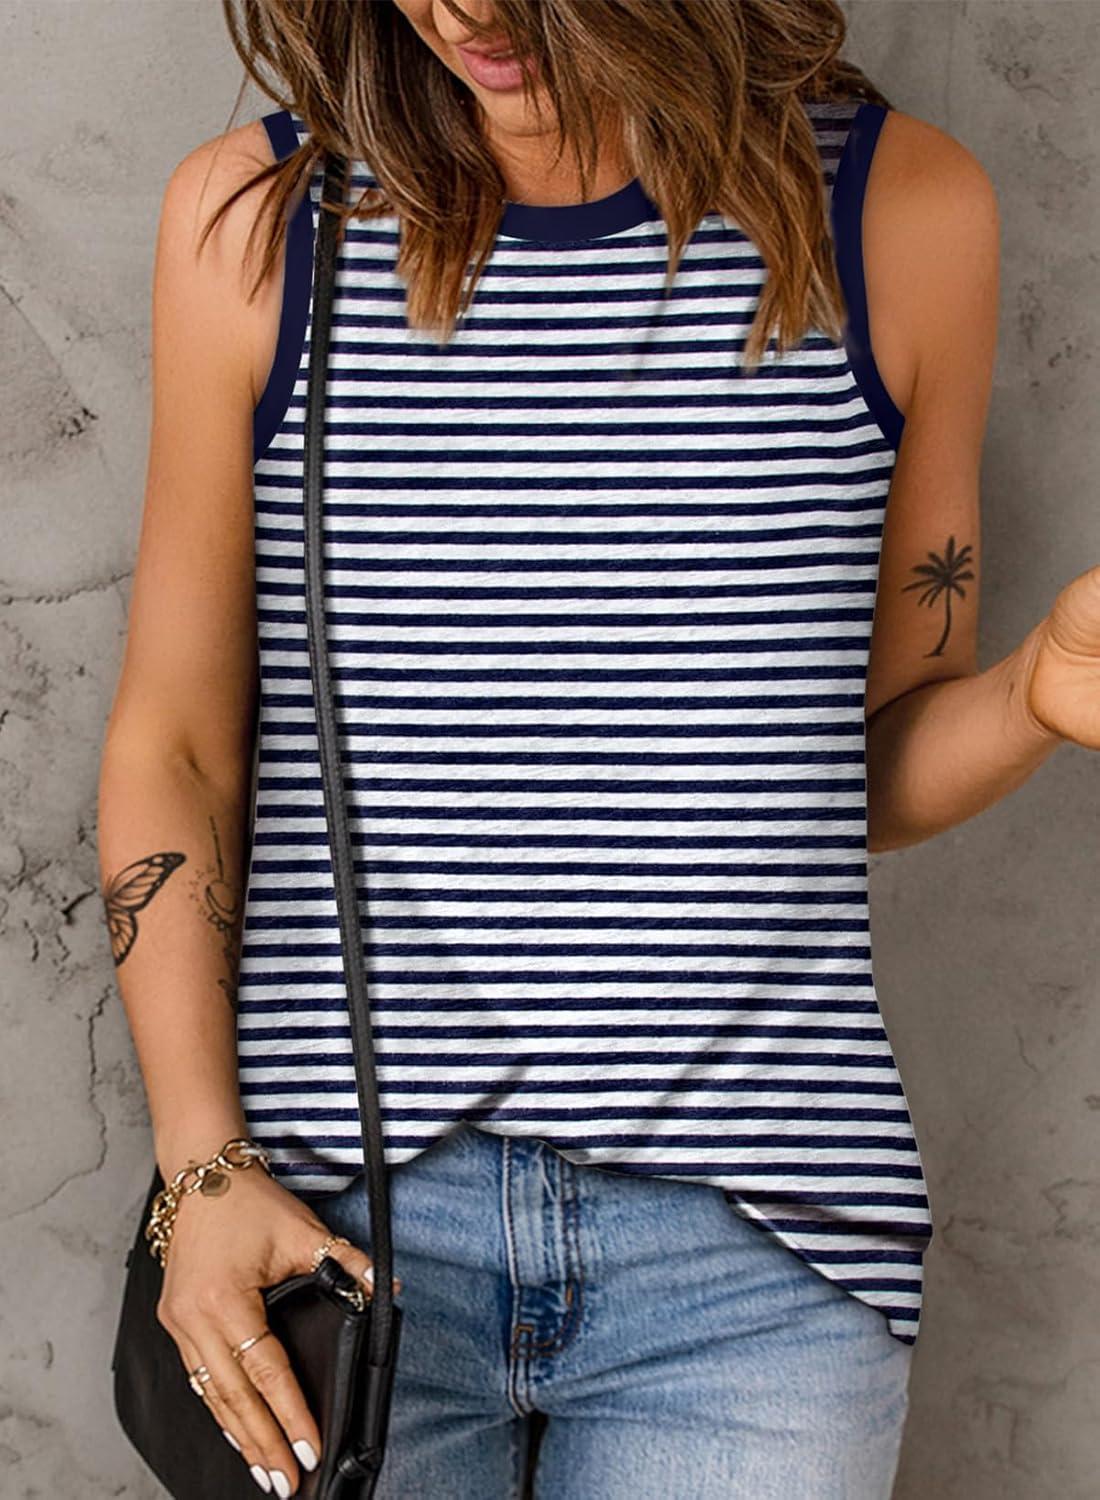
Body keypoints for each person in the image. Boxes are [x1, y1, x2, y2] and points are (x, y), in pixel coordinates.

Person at [97, 1, 1099, 1496]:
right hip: (338, 1246)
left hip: (757, 1267)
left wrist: (1034, 694)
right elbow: (176, 749)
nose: (473, 11)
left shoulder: (905, 211)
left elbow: (859, 767)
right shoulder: (255, 223)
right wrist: (202, 1167)